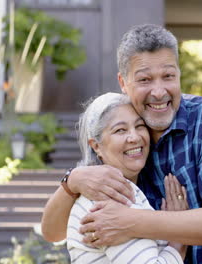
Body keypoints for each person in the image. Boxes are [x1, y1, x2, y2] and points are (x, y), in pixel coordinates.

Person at [42, 24, 202, 263]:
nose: (159, 92)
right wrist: (72, 180)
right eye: (145, 79)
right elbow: (53, 233)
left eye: (168, 76)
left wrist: (128, 221)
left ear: (179, 75)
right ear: (124, 83)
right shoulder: (130, 147)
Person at [65, 92, 188, 263]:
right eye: (120, 130)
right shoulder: (110, 198)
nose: (134, 137)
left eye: (139, 126)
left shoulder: (122, 192)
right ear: (96, 146)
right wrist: (178, 240)